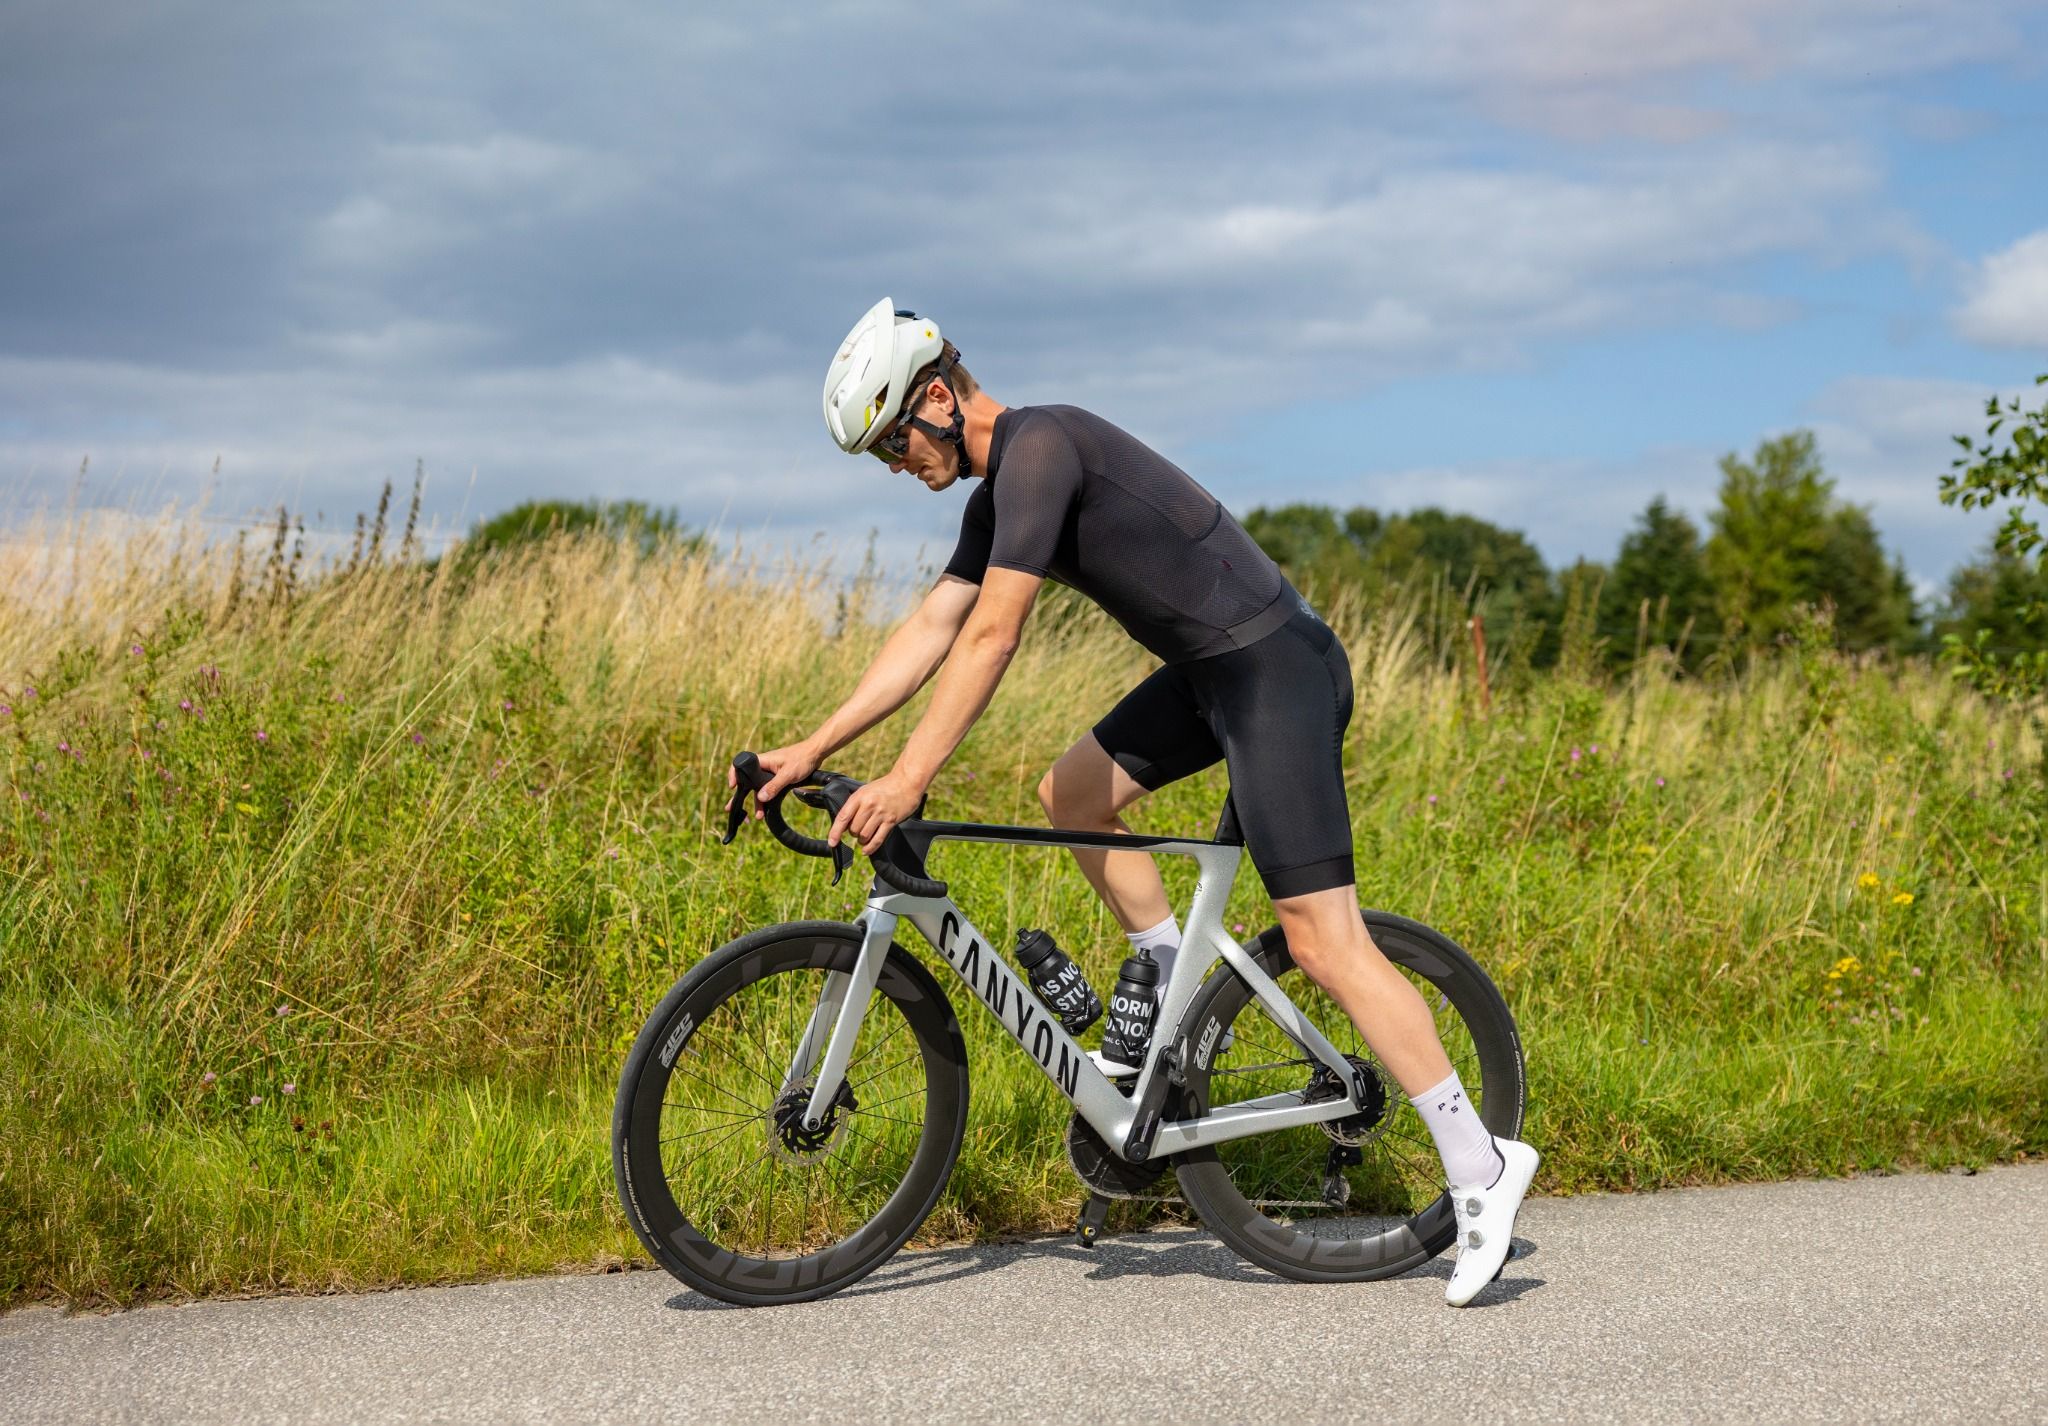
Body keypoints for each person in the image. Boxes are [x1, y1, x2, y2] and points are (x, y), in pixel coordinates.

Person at [735, 297, 1537, 1306]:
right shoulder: (995, 499)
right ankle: (1175, 982)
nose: (895, 466)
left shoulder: (1042, 446)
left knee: (1324, 939)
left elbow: (992, 635)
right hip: (1212, 679)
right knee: (1070, 791)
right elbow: (930, 627)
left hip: (1276, 672)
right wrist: (805, 746)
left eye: (893, 440)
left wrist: (905, 780)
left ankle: (1481, 1166)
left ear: (936, 397)